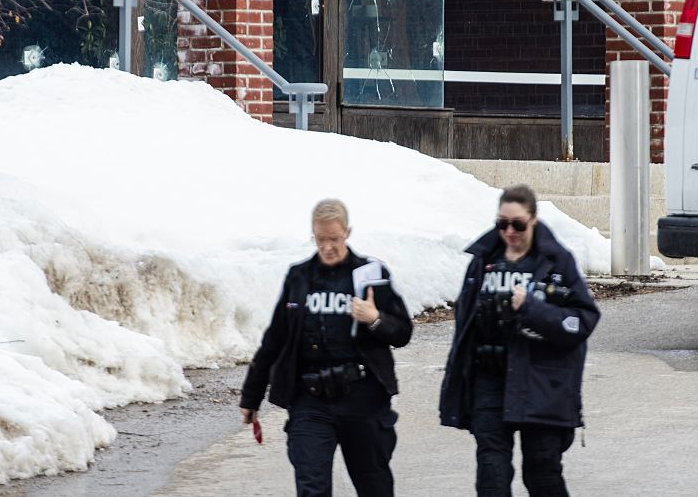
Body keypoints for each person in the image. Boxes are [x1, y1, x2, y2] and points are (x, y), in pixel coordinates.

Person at [239, 198, 412, 497]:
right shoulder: (300, 277)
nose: (327, 247)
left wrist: (375, 319)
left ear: (347, 232)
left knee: (374, 486)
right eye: (320, 239)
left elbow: (402, 333)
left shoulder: (370, 274)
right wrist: (251, 396)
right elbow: (275, 339)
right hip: (310, 400)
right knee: (312, 487)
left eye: (334, 238)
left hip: (363, 398)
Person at [439, 185, 600, 496]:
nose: (509, 232)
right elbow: (466, 323)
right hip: (490, 378)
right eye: (502, 224)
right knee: (491, 475)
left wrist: (532, 308)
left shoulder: (556, 262)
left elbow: (583, 320)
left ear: (534, 221)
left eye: (518, 225)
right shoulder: (484, 258)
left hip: (540, 381)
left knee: (542, 474)